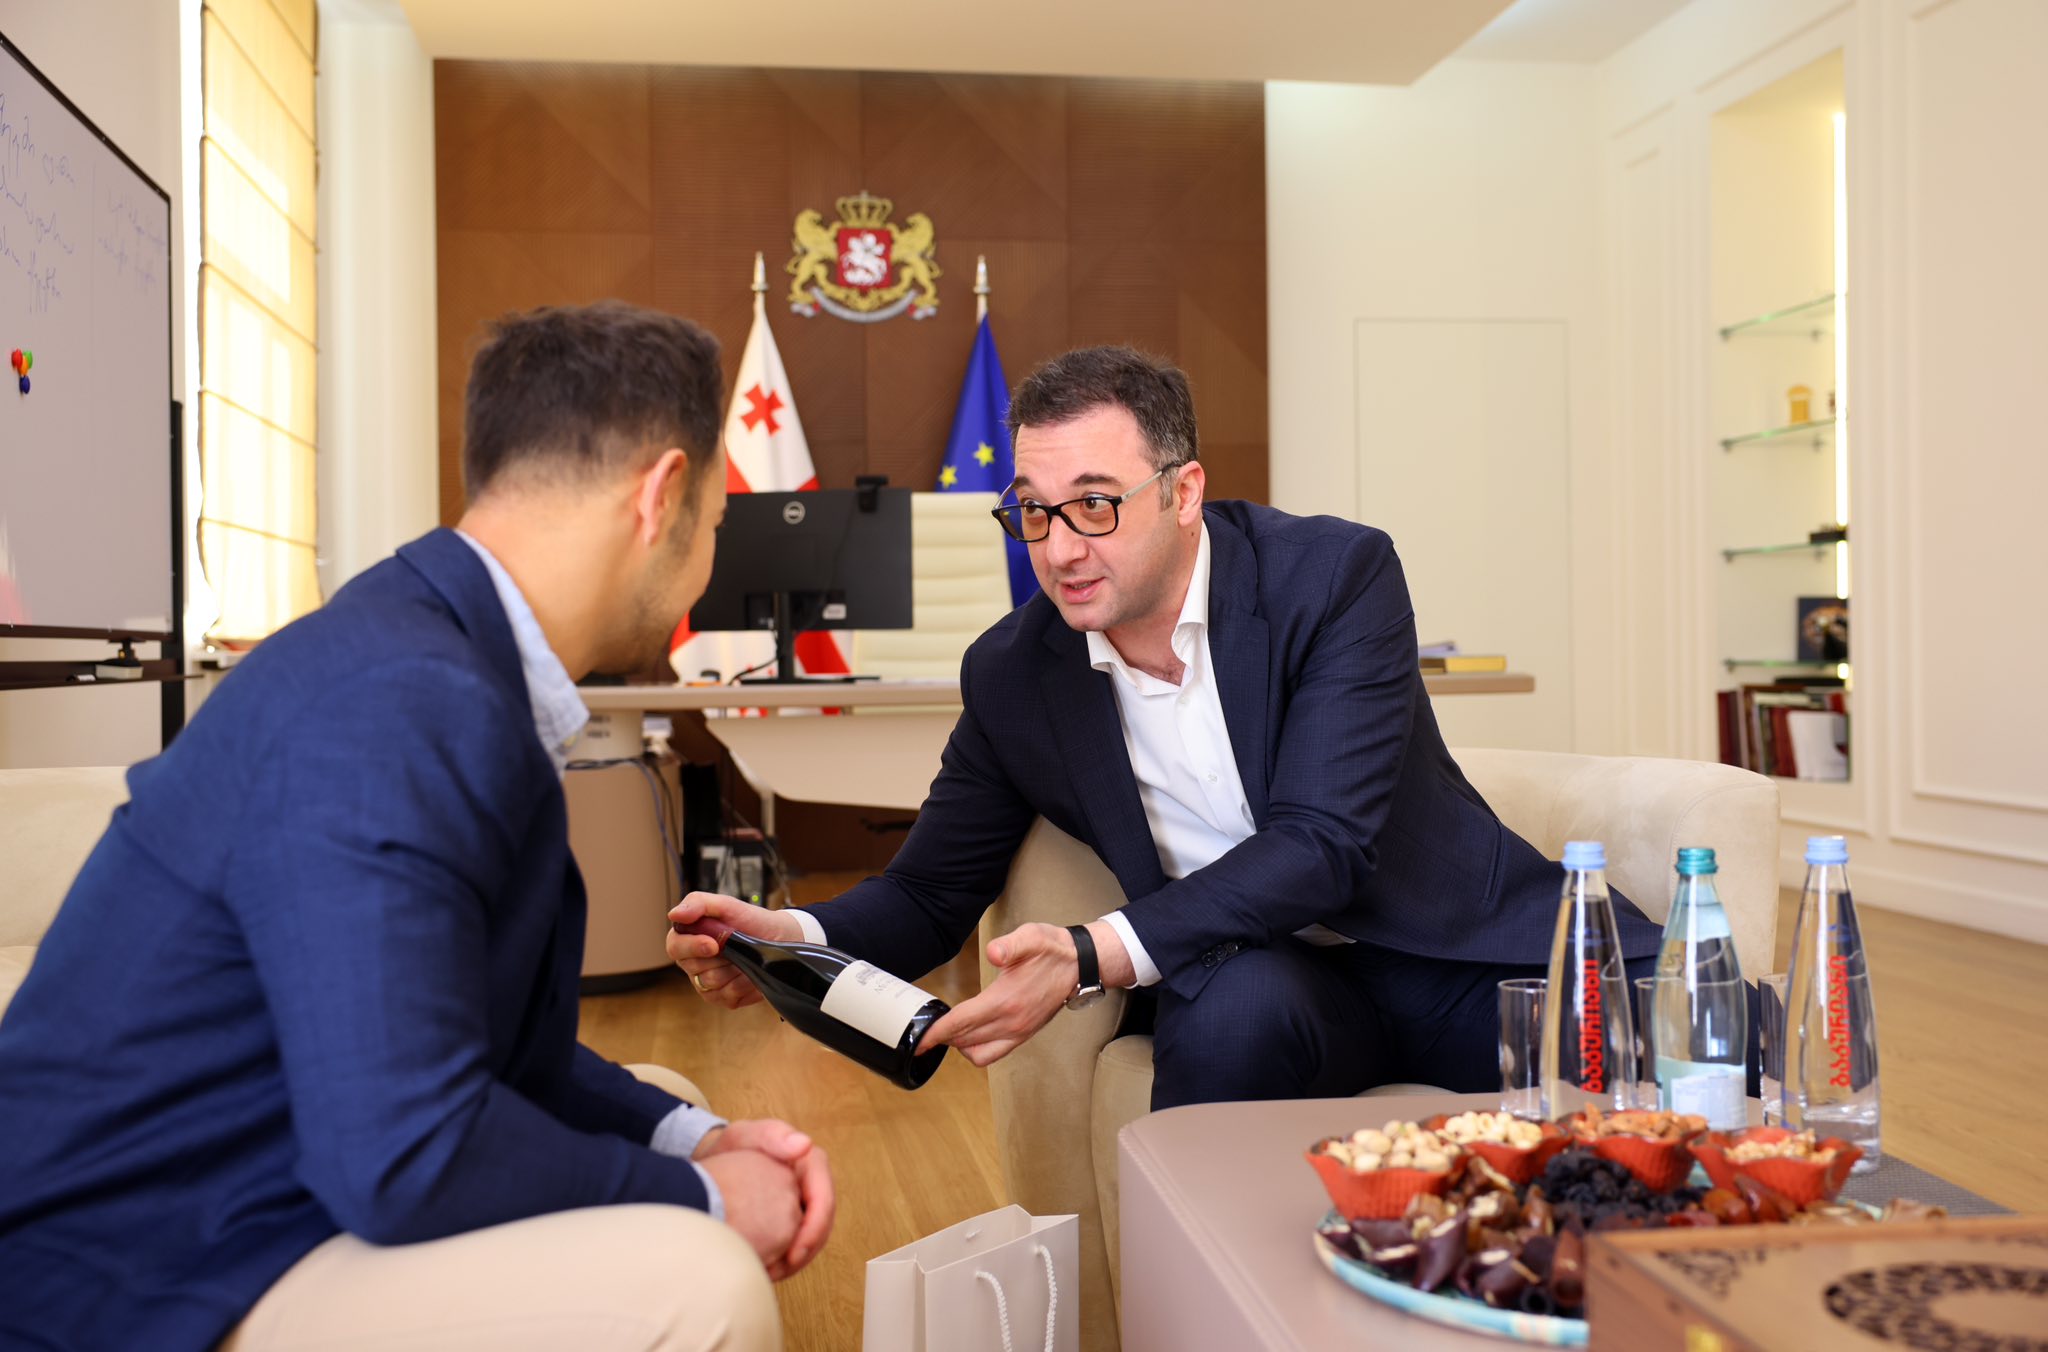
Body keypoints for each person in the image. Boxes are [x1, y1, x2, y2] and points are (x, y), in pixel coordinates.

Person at [0, 302, 830, 1351]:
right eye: (714, 523)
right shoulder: (395, 700)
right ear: (661, 495)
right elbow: (403, 1148)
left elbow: (473, 1046)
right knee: (696, 1280)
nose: (706, 562)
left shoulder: (421, 647)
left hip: (256, 1174)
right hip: (130, 1272)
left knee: (664, 1097)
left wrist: (693, 1139)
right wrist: (707, 1199)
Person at [670, 344, 1666, 1110]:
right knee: (1233, 1013)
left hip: (1457, 961)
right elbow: (930, 891)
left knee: (1711, 1041)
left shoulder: (1332, 578)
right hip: (1265, 983)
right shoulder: (1016, 672)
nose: (1060, 549)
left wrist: (1091, 950)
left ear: (1183, 492)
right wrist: (795, 939)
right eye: (1034, 512)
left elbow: (1321, 843)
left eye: (1094, 506)